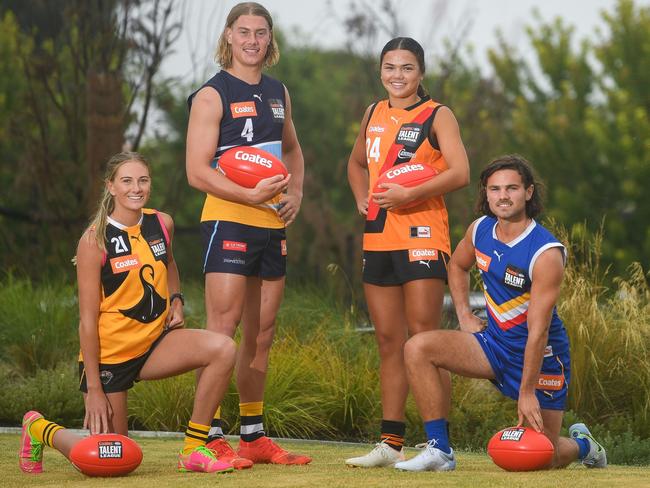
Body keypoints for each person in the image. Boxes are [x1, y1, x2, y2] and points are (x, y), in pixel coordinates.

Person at [19, 152, 237, 475]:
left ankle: (193, 449)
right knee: (112, 460)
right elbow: (86, 321)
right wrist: (94, 388)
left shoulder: (162, 223)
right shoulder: (95, 241)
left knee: (224, 348)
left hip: (153, 345)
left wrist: (176, 298)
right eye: (127, 181)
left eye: (143, 180)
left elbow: (170, 264)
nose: (136, 188)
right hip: (111, 358)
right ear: (111, 186)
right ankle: (38, 429)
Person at [395, 155, 607, 471]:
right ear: (486, 193)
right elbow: (456, 265)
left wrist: (526, 392)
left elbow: (538, 331)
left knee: (540, 457)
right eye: (494, 189)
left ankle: (584, 446)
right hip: (494, 345)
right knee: (417, 347)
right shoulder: (480, 229)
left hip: (541, 356)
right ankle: (439, 451)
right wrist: (465, 314)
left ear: (529, 192)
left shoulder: (545, 252)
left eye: (511, 188)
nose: (503, 196)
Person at [185, 2, 310, 468]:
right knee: (222, 332)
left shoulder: (280, 92)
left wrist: (294, 191)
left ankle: (253, 435)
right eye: (244, 32)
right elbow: (197, 172)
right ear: (230, 36)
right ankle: (207, 434)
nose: (253, 40)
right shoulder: (211, 95)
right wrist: (249, 196)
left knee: (262, 332)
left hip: (271, 224)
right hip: (228, 220)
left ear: (269, 39)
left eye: (261, 32)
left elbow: (294, 151)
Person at [345, 37, 469, 468]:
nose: (397, 75)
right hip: (379, 237)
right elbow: (356, 163)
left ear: (421, 73)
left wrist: (411, 190)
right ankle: (390, 442)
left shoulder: (438, 115)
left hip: (422, 236)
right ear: (380, 70)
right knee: (388, 341)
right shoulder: (372, 113)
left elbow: (461, 171)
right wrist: (364, 198)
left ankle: (440, 447)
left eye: (407, 68)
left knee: (425, 340)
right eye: (390, 67)